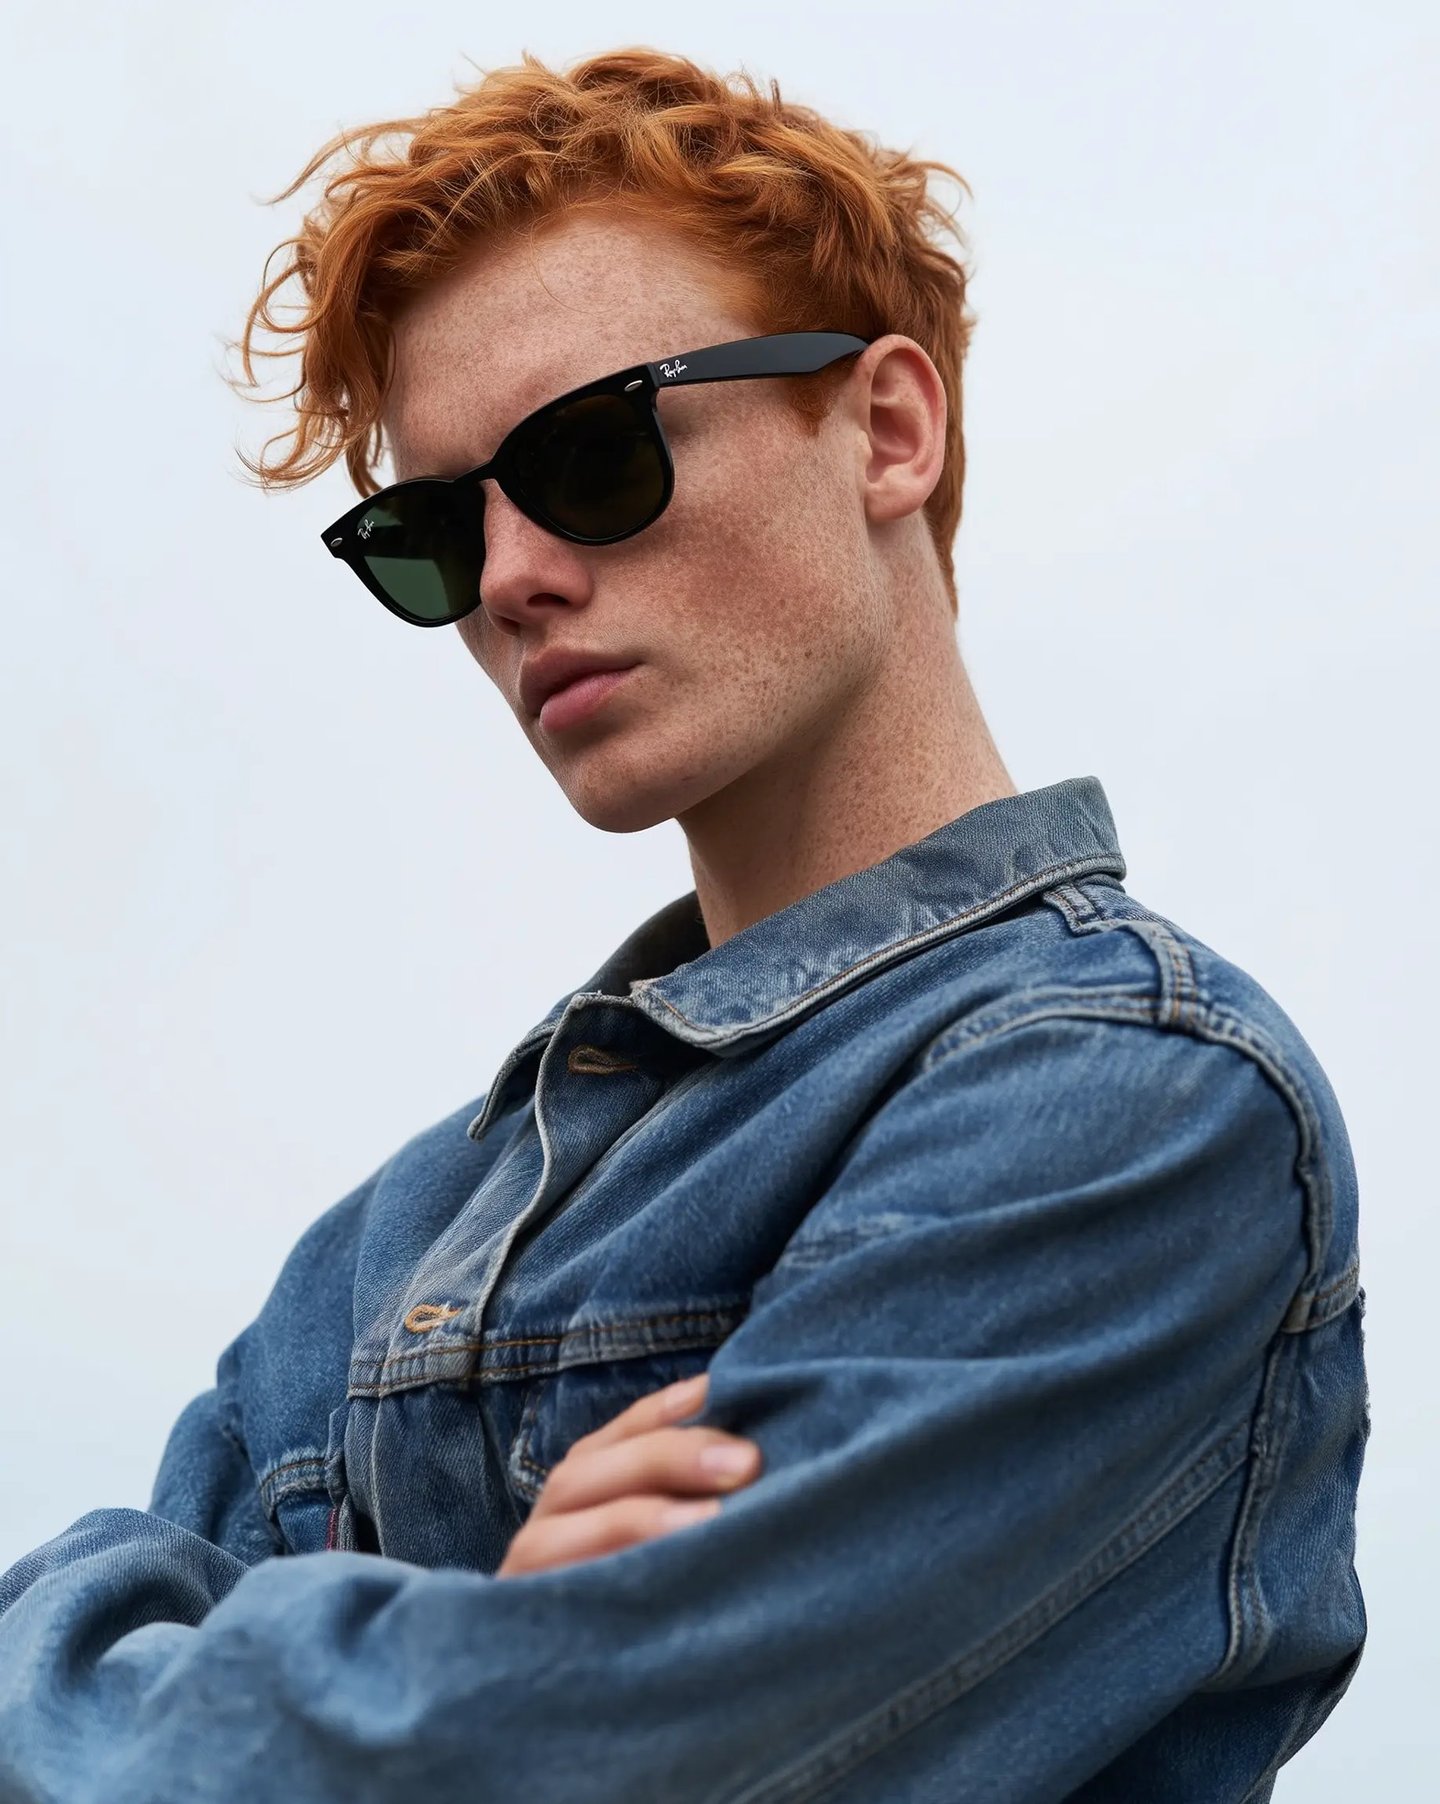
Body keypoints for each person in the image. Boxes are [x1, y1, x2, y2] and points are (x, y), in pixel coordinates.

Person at [0, 45, 1369, 1802]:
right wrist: (493, 1642)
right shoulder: (386, 1245)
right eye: (433, 530)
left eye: (590, 454)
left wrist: (412, 1675)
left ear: (887, 430)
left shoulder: (1130, 1100)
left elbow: (597, 1762)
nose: (510, 580)